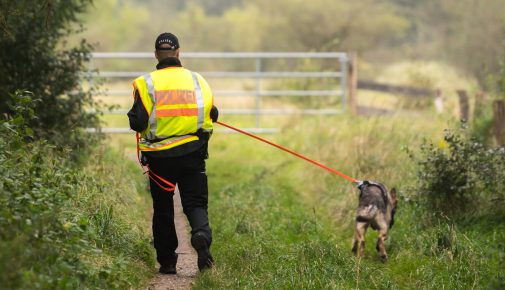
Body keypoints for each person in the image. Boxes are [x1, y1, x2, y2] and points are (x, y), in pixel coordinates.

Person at [127, 32, 218, 274]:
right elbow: (212, 112)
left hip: (160, 158)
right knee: (195, 202)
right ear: (178, 53)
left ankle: (167, 262)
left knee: (163, 208)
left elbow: (138, 122)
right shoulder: (198, 80)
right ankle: (200, 235)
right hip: (192, 153)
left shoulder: (145, 83)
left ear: (156, 55)